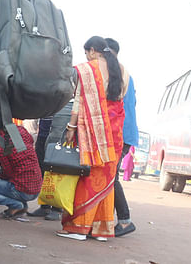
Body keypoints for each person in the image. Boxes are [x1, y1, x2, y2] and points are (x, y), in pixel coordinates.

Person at [57, 36, 125, 242]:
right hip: (115, 133)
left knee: (88, 176)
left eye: (87, 52)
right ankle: (101, 230)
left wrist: (71, 127)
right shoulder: (123, 70)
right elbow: (121, 100)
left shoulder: (87, 70)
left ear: (93, 51)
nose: (86, 56)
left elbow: (78, 101)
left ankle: (79, 227)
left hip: (94, 132)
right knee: (107, 180)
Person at [105, 37, 138, 237]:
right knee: (108, 175)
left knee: (110, 176)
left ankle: (125, 220)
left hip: (120, 132)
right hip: (124, 132)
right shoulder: (124, 73)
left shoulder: (116, 72)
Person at [0, 125, 41, 219]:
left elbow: (8, 174)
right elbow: (30, 141)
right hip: (36, 189)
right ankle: (22, 206)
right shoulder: (21, 130)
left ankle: (15, 205)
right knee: (18, 178)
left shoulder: (0, 146)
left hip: (22, 190)